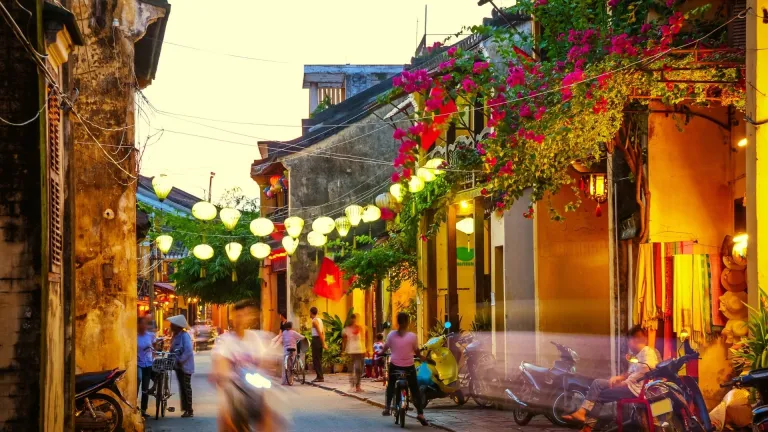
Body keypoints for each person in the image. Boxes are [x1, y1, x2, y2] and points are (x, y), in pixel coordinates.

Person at [564, 325, 659, 429]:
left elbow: (647, 369)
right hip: (630, 386)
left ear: (634, 340)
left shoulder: (647, 352)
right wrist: (619, 378)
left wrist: (625, 382)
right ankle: (582, 414)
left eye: (628, 341)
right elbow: (632, 372)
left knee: (599, 396)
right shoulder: (639, 354)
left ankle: (586, 426)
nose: (628, 344)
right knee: (597, 383)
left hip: (633, 390)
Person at [211, 300, 282, 431]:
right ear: (232, 317)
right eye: (238, 315)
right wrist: (221, 373)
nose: (242, 319)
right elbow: (220, 362)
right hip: (232, 389)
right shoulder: (225, 341)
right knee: (226, 418)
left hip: (253, 388)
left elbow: (264, 360)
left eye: (245, 315)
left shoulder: (257, 338)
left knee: (270, 415)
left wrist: (268, 368)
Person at [381, 312, 429, 426]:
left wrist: (380, 353)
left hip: (395, 366)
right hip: (409, 367)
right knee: (415, 389)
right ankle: (420, 413)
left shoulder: (391, 335)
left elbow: (385, 348)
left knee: (391, 385)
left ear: (397, 322)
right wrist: (422, 357)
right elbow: (417, 351)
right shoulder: (412, 336)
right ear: (407, 322)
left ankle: (387, 407)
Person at [167, 315, 195, 418]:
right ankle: (186, 409)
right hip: (178, 366)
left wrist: (180, 361)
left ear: (177, 326)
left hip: (185, 366)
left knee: (186, 387)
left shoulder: (184, 336)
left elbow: (188, 351)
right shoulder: (175, 335)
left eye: (172, 324)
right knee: (182, 387)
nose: (170, 326)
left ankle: (189, 409)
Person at [137, 315, 156, 418]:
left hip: (148, 363)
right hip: (138, 363)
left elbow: (154, 347)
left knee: (145, 388)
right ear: (138, 325)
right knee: (138, 379)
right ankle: (133, 408)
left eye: (145, 323)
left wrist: (153, 356)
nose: (144, 326)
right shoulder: (135, 336)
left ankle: (143, 409)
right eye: (142, 323)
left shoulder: (150, 335)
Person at [342, 313, 366, 392]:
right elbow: (344, 340)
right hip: (350, 350)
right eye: (353, 319)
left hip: (359, 350)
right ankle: (352, 385)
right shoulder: (347, 329)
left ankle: (358, 385)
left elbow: (362, 339)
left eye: (355, 319)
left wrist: (365, 349)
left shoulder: (360, 328)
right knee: (351, 368)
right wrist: (343, 350)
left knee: (359, 369)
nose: (354, 321)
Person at [309, 307, 327, 383]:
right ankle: (320, 376)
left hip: (316, 339)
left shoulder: (314, 321)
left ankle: (320, 377)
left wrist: (323, 343)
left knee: (316, 359)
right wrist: (323, 340)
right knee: (318, 358)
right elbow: (323, 331)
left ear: (311, 312)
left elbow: (319, 332)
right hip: (319, 339)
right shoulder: (320, 320)